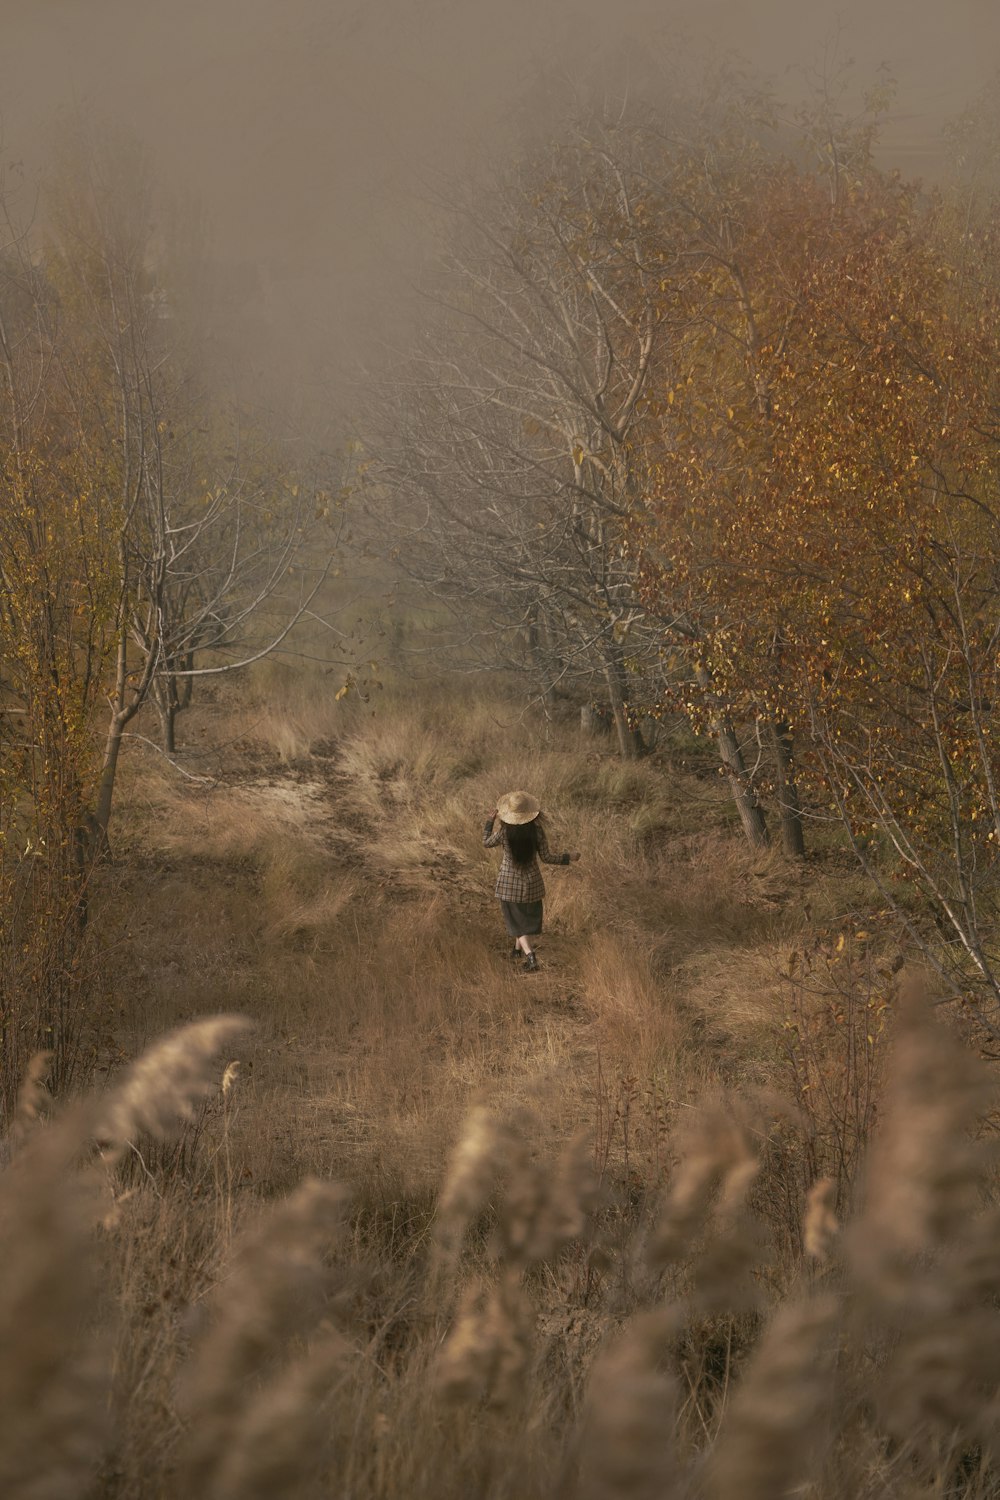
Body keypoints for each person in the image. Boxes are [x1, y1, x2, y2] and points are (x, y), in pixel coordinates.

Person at [483, 789, 579, 972]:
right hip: (532, 885)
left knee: (516, 922)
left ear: (509, 814)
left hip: (508, 885)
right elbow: (547, 857)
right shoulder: (537, 831)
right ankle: (516, 950)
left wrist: (490, 821)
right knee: (523, 920)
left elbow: (486, 842)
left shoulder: (504, 831)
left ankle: (530, 956)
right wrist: (569, 857)